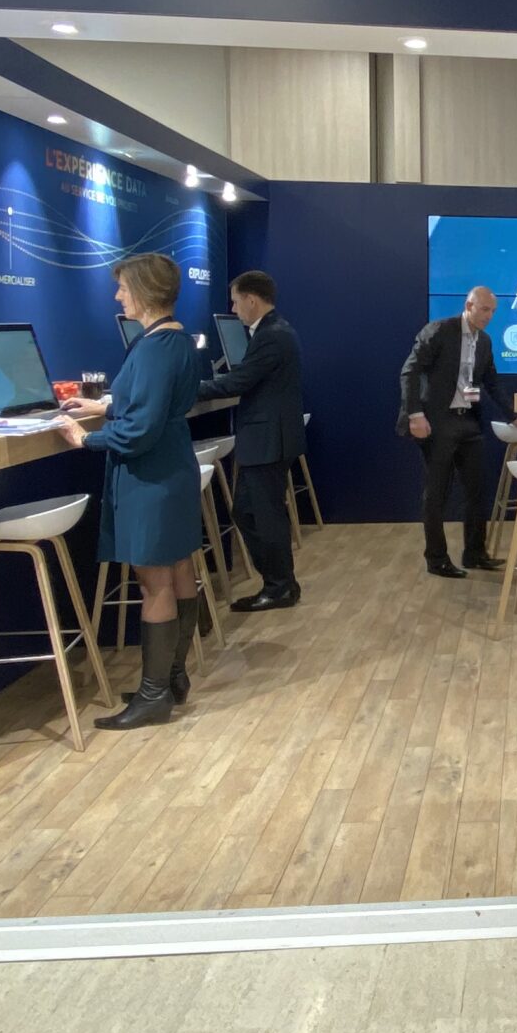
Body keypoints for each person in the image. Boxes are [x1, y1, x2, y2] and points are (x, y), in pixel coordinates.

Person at [56, 253, 205, 730]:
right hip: (172, 469)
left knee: (154, 580)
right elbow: (152, 402)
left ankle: (154, 694)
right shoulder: (176, 341)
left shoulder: (154, 347)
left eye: (123, 288)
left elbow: (140, 428)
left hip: (150, 475)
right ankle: (171, 678)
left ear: (143, 290)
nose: (118, 296)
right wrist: (104, 406)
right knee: (178, 567)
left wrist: (87, 439)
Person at [399, 286, 517, 578]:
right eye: (484, 309)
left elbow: (491, 382)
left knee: (477, 490)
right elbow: (410, 371)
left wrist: (513, 416)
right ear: (469, 305)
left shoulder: (484, 341)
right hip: (438, 421)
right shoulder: (439, 331)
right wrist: (415, 414)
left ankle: (475, 553)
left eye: (493, 311)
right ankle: (437, 559)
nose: (489, 316)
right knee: (437, 492)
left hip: (468, 421)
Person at [212, 270, 305, 613]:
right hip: (269, 438)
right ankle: (281, 583)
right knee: (251, 512)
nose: (234, 310)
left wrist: (185, 388)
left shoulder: (271, 336)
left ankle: (279, 586)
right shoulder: (275, 331)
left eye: (236, 302)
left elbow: (238, 382)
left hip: (268, 440)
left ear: (252, 300)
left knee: (263, 515)